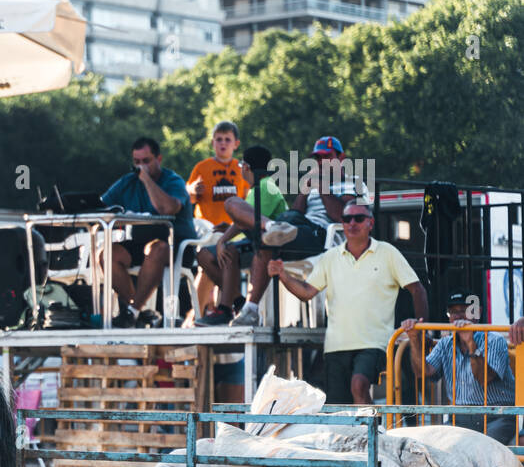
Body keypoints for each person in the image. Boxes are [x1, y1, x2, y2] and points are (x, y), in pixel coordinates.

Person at [269, 201, 427, 405]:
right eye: (346, 219)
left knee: (359, 384)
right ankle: (362, 435)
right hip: (336, 346)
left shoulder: (387, 252)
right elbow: (307, 292)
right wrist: (282, 275)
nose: (352, 223)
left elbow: (417, 289)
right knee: (339, 409)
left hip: (375, 343)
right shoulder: (330, 257)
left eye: (358, 218)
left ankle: (375, 436)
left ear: (370, 223)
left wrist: (422, 326)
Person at [195, 145, 298, 326]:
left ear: (246, 167)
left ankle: (225, 309)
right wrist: (228, 229)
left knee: (228, 243)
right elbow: (248, 220)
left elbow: (246, 220)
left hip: (269, 248)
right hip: (255, 242)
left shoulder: (265, 186)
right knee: (205, 255)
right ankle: (238, 302)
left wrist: (223, 238)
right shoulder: (260, 187)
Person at [100, 136, 194, 328]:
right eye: (136, 163)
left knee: (156, 249)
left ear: (158, 159)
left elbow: (168, 209)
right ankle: (138, 313)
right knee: (107, 254)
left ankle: (132, 312)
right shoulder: (128, 181)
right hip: (140, 243)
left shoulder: (173, 180)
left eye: (146, 161)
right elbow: (102, 205)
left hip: (175, 244)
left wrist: (147, 182)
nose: (141, 167)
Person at [403, 291, 516, 444]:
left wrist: (470, 344)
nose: (458, 317)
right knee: (439, 449)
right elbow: (423, 372)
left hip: (496, 417)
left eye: (463, 311)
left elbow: (485, 378)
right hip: (458, 418)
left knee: (482, 451)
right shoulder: (445, 343)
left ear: (477, 314)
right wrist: (414, 338)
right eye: (453, 312)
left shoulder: (494, 340)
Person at [186, 121, 249, 319]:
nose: (223, 144)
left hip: (232, 232)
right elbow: (188, 196)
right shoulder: (202, 167)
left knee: (208, 267)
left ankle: (196, 316)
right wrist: (192, 191)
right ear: (213, 143)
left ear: (236, 144)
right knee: (212, 252)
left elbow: (247, 202)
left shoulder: (241, 169)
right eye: (219, 140)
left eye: (227, 140)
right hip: (207, 230)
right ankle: (235, 302)